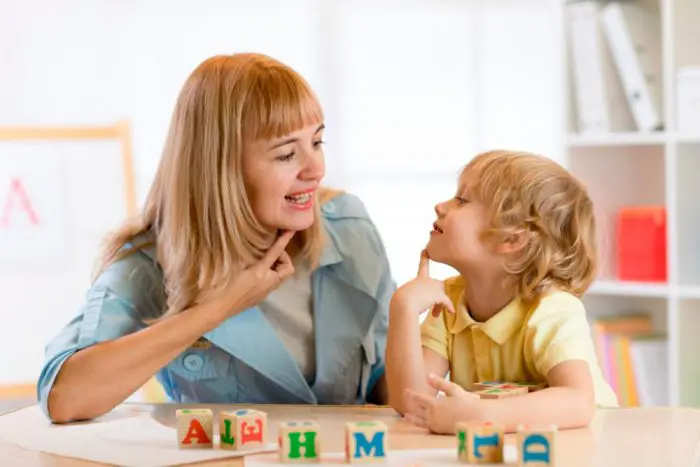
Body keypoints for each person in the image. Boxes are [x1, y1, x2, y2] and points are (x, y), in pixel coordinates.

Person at [38, 53, 394, 423]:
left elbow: (387, 379)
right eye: (287, 154)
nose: (316, 169)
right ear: (222, 168)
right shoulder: (149, 265)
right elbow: (64, 398)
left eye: (317, 143)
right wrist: (217, 309)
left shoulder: (350, 228)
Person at [385, 149, 618, 435]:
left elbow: (578, 402)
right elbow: (411, 403)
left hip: (590, 444)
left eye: (461, 200)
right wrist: (404, 308)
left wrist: (479, 416)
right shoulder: (447, 301)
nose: (440, 206)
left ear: (511, 238)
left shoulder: (552, 308)